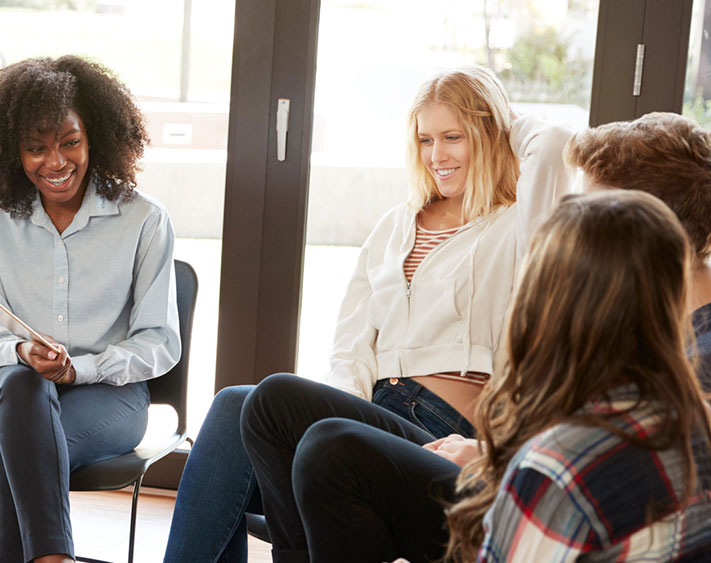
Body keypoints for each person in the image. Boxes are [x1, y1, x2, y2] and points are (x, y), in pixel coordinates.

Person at [164, 65, 574, 562]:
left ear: (490, 134)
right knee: (233, 406)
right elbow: (351, 346)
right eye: (425, 139)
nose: (437, 155)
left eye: (453, 137)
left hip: (443, 431)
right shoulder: (395, 225)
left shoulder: (519, 225)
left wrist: (506, 119)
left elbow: (553, 144)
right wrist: (327, 426)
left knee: (270, 398)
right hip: (374, 411)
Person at [286, 111, 711, 562]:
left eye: (593, 219)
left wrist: (501, 465)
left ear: (646, 232)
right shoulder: (676, 367)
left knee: (327, 453)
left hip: (520, 489)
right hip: (518, 476)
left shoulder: (710, 371)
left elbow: (589, 485)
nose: (576, 229)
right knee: (282, 411)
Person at [0, 55, 180, 563]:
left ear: (94, 136)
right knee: (22, 386)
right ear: (12, 151)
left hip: (109, 397)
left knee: (21, 455)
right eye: (36, 148)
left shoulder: (143, 220)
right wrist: (20, 351)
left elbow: (159, 342)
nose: (55, 163)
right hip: (7, 389)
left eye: (69, 142)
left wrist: (82, 369)